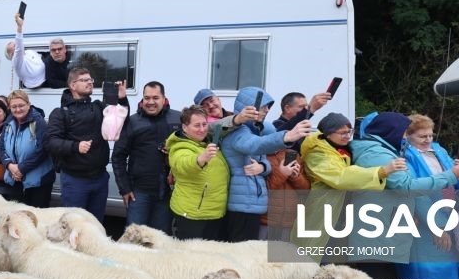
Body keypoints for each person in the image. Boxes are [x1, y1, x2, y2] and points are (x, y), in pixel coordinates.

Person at [350, 112, 459, 279]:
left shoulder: (386, 150)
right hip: (379, 231)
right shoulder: (380, 155)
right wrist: (451, 175)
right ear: (392, 131)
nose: (405, 137)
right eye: (405, 132)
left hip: (385, 230)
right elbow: (408, 187)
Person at [292, 112, 406, 264]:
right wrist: (381, 171)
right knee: (315, 257)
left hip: (340, 213)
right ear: (327, 134)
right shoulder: (317, 153)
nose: (347, 136)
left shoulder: (342, 149)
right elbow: (341, 177)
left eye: (349, 132)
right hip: (324, 210)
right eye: (342, 133)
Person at [221, 87, 312, 242]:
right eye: (264, 106)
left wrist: (263, 167)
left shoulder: (256, 130)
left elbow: (264, 156)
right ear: (250, 107)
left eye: (269, 106)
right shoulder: (237, 132)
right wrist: (288, 136)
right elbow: (255, 145)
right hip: (241, 204)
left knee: (252, 254)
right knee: (241, 252)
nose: (268, 110)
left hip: (253, 203)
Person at [396, 114, 459, 279]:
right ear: (407, 135)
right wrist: (437, 225)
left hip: (451, 217)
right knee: (430, 275)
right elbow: (417, 193)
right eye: (422, 136)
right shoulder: (404, 155)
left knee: (452, 272)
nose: (428, 140)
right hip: (425, 224)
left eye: (431, 135)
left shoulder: (439, 150)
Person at [46, 68, 128, 222]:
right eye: (84, 80)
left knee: (96, 226)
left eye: (91, 80)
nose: (90, 82)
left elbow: (120, 122)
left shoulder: (98, 106)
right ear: (72, 85)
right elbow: (51, 142)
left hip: (99, 178)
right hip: (75, 181)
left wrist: (122, 100)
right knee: (74, 226)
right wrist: (75, 146)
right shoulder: (60, 112)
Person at [111, 81, 181, 233]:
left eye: (155, 98)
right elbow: (118, 157)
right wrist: (124, 188)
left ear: (164, 98)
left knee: (161, 239)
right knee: (134, 238)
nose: (150, 102)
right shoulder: (132, 121)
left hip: (168, 193)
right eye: (146, 98)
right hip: (138, 193)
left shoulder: (178, 119)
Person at [166, 105, 229, 240]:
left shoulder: (206, 142)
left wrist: (239, 118)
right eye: (197, 125)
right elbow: (183, 164)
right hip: (191, 213)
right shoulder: (180, 146)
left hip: (214, 212)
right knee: (189, 256)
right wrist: (200, 159)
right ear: (184, 127)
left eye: (204, 124)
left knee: (208, 256)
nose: (202, 129)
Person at [0, 90, 55, 207]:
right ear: (9, 108)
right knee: (18, 218)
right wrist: (9, 166)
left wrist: (21, 168)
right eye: (14, 106)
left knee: (37, 219)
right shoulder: (8, 122)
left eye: (21, 105)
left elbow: (42, 150)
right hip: (14, 179)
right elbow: (1, 147)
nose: (18, 109)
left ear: (28, 105)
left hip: (37, 183)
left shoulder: (39, 122)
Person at [5, 13, 46, 89]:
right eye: (14, 46)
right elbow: (19, 48)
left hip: (46, 76)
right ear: (11, 54)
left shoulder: (28, 52)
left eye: (15, 44)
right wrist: (19, 26)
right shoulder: (16, 61)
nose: (16, 45)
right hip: (40, 85)